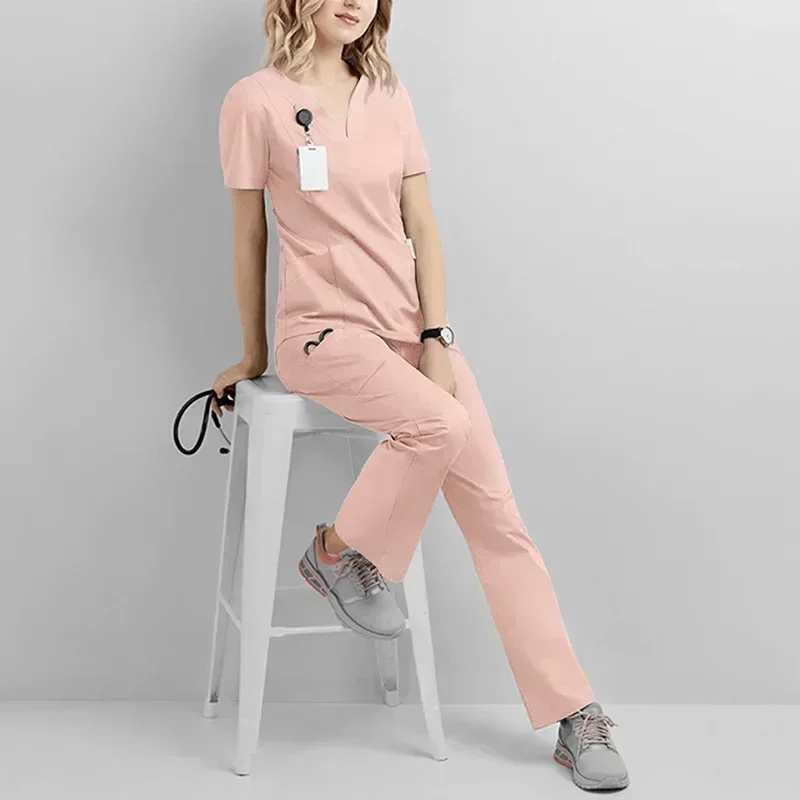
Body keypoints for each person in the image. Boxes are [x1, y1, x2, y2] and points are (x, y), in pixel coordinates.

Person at [211, 0, 629, 791]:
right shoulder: (253, 101)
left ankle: (574, 713)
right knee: (439, 423)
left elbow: (423, 227)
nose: (356, 1)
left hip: (410, 332)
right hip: (322, 334)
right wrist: (253, 355)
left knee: (500, 520)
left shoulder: (388, 95)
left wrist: (436, 336)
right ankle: (338, 555)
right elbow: (249, 237)